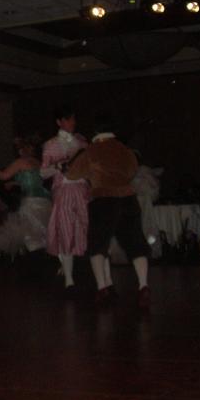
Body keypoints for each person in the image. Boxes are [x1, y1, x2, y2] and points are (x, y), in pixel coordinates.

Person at [66, 116, 152, 308]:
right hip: (128, 199)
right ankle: (143, 285)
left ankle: (102, 288)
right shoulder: (125, 150)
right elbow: (132, 171)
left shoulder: (91, 151)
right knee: (136, 244)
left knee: (97, 245)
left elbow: (72, 174)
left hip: (103, 200)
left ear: (96, 133)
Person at [41, 105, 100, 296]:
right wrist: (58, 166)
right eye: (68, 119)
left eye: (73, 119)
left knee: (88, 230)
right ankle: (69, 280)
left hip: (82, 190)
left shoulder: (81, 142)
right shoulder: (51, 144)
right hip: (64, 190)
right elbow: (43, 172)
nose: (72, 122)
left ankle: (98, 278)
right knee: (66, 232)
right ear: (59, 122)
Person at [0, 137, 52, 257]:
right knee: (43, 235)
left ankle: (35, 262)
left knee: (30, 239)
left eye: (18, 148)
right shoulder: (37, 162)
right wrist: (15, 183)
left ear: (22, 149)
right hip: (44, 202)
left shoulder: (21, 162)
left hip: (31, 203)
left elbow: (3, 175)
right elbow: (33, 181)